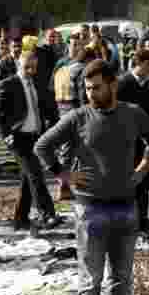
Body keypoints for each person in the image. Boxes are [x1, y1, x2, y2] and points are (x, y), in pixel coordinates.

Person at [35, 58, 149, 295]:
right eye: (87, 88)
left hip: (126, 208)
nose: (91, 93)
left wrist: (143, 167)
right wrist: (63, 175)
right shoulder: (78, 118)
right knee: (90, 280)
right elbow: (42, 146)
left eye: (97, 87)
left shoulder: (133, 114)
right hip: (90, 210)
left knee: (122, 277)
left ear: (113, 84)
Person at [0, 50, 65, 234]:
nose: (30, 70)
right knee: (35, 174)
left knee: (28, 178)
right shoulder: (8, 84)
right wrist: (6, 135)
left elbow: (48, 108)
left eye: (33, 67)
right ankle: (47, 214)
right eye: (26, 67)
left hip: (35, 136)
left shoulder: (37, 83)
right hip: (18, 138)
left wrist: (54, 129)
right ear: (19, 65)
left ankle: (20, 218)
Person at [117, 49, 149, 232]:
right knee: (130, 180)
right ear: (140, 63)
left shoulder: (146, 84)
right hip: (127, 141)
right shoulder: (123, 83)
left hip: (145, 141)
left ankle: (143, 218)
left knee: (145, 179)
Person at [51, 32, 89, 200]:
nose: (76, 48)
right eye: (73, 45)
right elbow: (52, 87)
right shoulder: (61, 63)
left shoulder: (84, 65)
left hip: (75, 107)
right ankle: (63, 186)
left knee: (80, 148)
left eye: (79, 45)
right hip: (64, 108)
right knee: (66, 149)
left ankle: (77, 183)